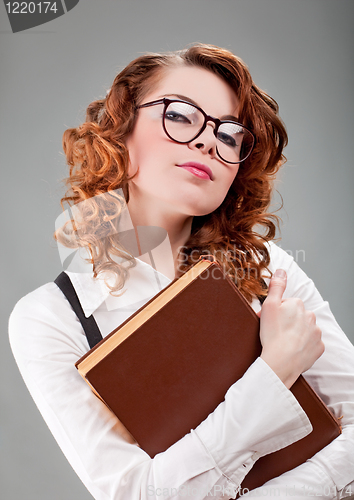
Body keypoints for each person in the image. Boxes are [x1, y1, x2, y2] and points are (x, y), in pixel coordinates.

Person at [9, 44, 354, 499]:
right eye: (180, 115)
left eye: (230, 135)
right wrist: (273, 373)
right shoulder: (50, 318)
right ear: (120, 129)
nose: (209, 140)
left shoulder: (268, 270)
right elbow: (139, 494)